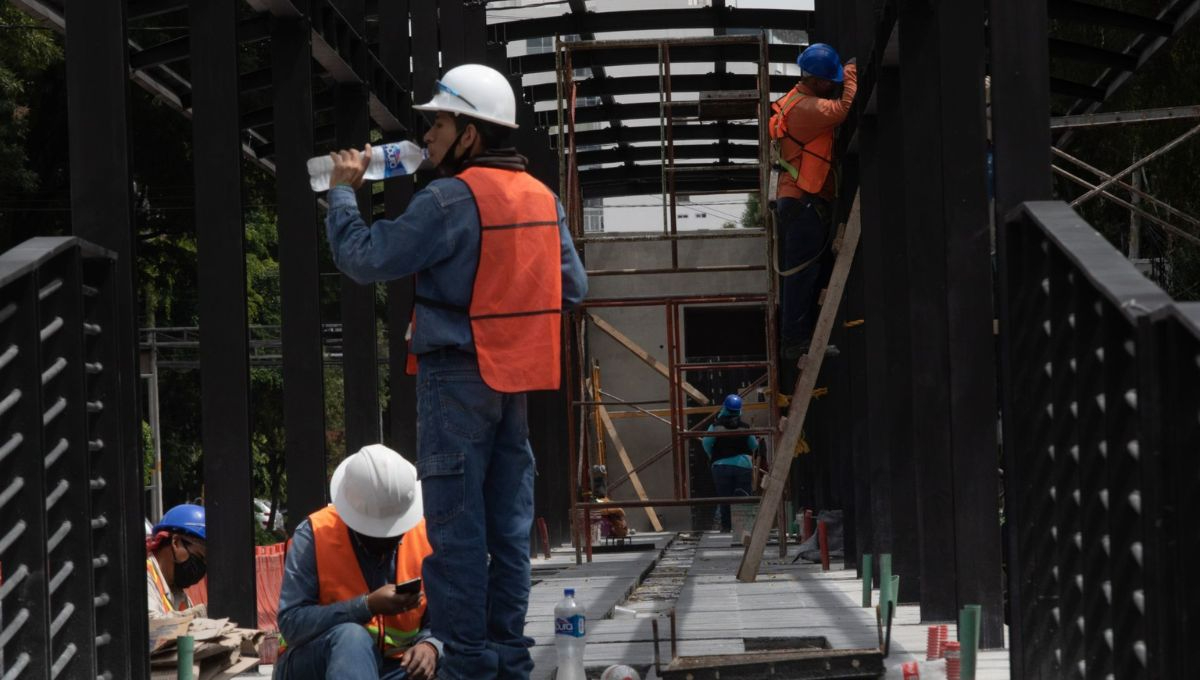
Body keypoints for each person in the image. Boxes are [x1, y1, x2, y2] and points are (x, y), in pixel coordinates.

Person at [323, 63, 588, 680]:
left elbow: (363, 259)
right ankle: (508, 660)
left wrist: (342, 191)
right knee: (509, 531)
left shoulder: (447, 199)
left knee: (456, 531)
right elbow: (572, 288)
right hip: (514, 383)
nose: (430, 136)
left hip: (455, 382)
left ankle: (467, 662)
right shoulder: (542, 199)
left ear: (471, 132)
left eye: (439, 122)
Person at [275, 444, 440, 680]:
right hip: (314, 665)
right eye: (377, 533)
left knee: (465, 659)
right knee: (351, 638)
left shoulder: (424, 536)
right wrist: (366, 606)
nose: (388, 539)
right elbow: (292, 626)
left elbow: (446, 620)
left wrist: (431, 646)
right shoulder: (314, 535)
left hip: (394, 667)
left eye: (394, 531)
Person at [769, 42, 858, 366]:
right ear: (819, 80)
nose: (834, 84)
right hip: (802, 202)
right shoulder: (808, 109)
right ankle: (794, 342)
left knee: (808, 273)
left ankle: (801, 339)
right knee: (802, 276)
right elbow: (843, 109)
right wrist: (851, 73)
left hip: (800, 201)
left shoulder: (799, 100)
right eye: (831, 79)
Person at [701, 394, 759, 532]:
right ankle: (743, 531)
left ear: (724, 408)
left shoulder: (715, 426)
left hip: (720, 467)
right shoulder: (745, 427)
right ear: (739, 410)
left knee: (724, 499)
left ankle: (726, 528)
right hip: (743, 466)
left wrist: (713, 457)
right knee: (743, 497)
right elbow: (753, 445)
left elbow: (706, 443)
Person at [146, 503, 207, 616]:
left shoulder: (177, 591)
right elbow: (151, 625)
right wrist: (201, 613)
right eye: (200, 557)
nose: (202, 566)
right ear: (176, 542)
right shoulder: (142, 578)